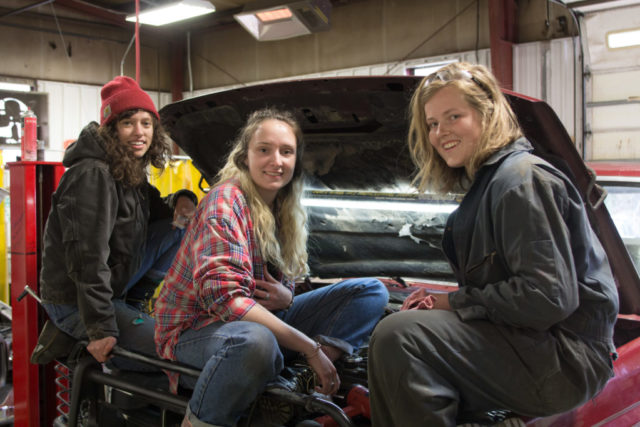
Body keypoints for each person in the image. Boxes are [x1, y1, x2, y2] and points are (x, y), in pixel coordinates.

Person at [368, 62, 619, 426]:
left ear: (487, 115)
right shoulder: (490, 184)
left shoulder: (520, 180)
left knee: (401, 337)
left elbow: (547, 298)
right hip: (538, 346)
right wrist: (444, 304)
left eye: (454, 116)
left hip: (567, 360)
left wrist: (453, 301)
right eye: (433, 123)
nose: (440, 133)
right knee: (397, 328)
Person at [154, 107, 389, 427]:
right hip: (195, 328)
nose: (276, 160)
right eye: (264, 150)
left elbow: (287, 282)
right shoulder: (225, 201)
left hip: (259, 319)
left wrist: (287, 298)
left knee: (371, 291)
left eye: (286, 151)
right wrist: (309, 347)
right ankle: (198, 422)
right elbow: (225, 300)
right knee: (256, 343)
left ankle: (292, 384)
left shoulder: (285, 209)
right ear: (244, 156)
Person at [39, 76, 198, 369]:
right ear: (111, 129)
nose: (139, 132)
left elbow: (162, 216)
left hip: (112, 286)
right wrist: (100, 329)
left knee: (181, 225)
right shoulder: (93, 175)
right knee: (171, 347)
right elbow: (86, 258)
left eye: (146, 123)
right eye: (128, 122)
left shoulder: (127, 170)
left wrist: (184, 199)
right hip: (74, 300)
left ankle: (135, 305)